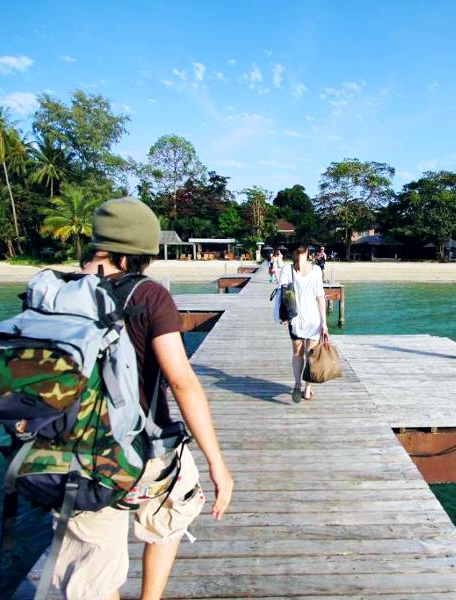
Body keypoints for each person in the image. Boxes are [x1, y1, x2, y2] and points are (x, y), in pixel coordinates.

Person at [54, 197, 233, 600]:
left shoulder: (58, 293)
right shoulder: (149, 296)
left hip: (80, 454)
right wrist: (217, 465)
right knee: (169, 516)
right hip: (148, 450)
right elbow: (182, 381)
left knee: (92, 573)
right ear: (143, 251)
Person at [275, 244, 328, 403]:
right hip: (313, 319)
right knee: (310, 355)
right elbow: (320, 297)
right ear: (308, 254)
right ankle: (307, 390)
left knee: (297, 354)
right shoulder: (316, 270)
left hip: (295, 318)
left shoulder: (287, 270)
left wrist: (282, 316)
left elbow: (282, 293)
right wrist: (324, 323)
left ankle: (297, 383)